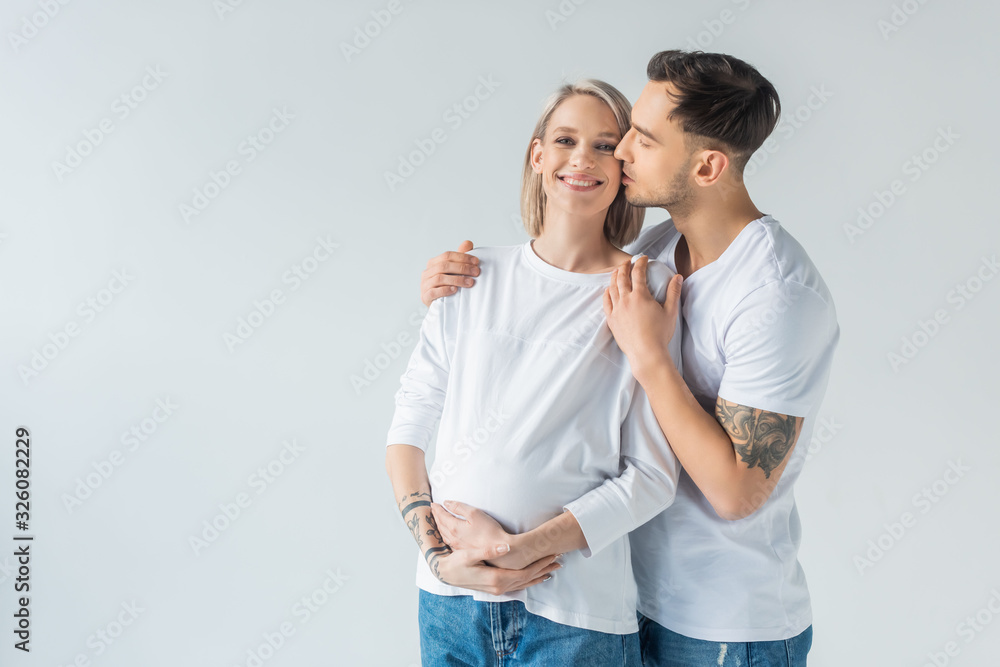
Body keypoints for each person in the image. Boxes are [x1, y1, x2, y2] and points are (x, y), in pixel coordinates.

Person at [421, 50, 840, 667]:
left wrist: (650, 357)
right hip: (623, 599)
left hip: (723, 627)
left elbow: (737, 493)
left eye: (643, 139)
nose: (619, 152)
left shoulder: (778, 295)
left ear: (707, 166)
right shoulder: (660, 248)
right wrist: (453, 290)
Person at [385, 79, 683, 666]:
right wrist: (439, 558)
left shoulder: (641, 290)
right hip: (450, 604)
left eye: (604, 145)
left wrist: (522, 549)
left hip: (574, 617)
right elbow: (408, 429)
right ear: (537, 155)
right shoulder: (471, 277)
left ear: (624, 165)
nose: (582, 159)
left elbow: (651, 477)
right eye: (566, 140)